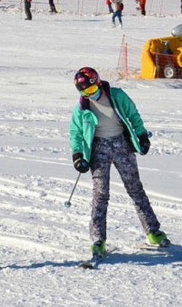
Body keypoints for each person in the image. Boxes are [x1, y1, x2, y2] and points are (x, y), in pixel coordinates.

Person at [69, 67, 168, 259]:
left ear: (97, 82)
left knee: (135, 188)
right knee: (101, 194)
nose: (90, 95)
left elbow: (133, 115)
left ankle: (153, 232)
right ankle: (98, 239)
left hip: (121, 144)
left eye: (90, 90)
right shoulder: (81, 109)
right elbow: (75, 134)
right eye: (84, 93)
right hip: (98, 149)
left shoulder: (117, 96)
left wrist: (141, 136)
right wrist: (78, 155)